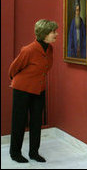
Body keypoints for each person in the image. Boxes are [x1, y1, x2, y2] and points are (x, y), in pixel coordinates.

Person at [8, 19, 58, 163]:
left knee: (36, 122)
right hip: (22, 90)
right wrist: (19, 82)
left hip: (39, 90)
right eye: (53, 32)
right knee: (19, 122)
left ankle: (34, 152)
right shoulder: (29, 50)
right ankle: (15, 153)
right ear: (44, 34)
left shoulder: (50, 49)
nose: (56, 34)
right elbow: (13, 69)